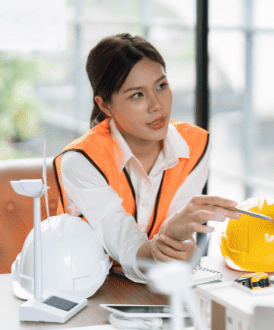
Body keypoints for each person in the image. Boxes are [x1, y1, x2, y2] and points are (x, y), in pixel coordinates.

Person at [53, 33, 240, 283]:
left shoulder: (196, 146)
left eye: (161, 86)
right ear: (105, 105)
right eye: (137, 95)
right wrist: (164, 247)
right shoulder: (81, 160)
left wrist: (180, 250)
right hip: (81, 284)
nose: (157, 106)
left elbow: (175, 243)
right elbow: (125, 244)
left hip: (154, 289)